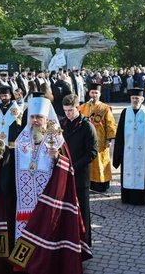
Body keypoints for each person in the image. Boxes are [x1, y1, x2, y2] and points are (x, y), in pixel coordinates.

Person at [0, 92, 91, 274]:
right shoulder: (19, 141)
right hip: (23, 206)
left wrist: (57, 157)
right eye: (33, 117)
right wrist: (1, 155)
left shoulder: (57, 140)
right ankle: (23, 265)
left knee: (46, 235)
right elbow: (8, 168)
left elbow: (68, 169)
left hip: (47, 204)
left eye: (39, 117)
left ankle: (47, 265)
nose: (35, 120)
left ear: (46, 118)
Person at [60, 93, 97, 247]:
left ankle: (85, 244)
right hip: (64, 174)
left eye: (70, 110)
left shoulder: (87, 126)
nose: (68, 114)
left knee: (82, 211)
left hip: (80, 175)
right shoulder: (62, 125)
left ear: (78, 107)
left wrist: (74, 167)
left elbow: (92, 152)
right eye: (65, 111)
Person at [113, 88, 145, 205]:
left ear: (142, 99)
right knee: (128, 173)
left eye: (137, 98)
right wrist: (118, 153)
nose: (135, 100)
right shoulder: (125, 112)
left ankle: (143, 198)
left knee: (143, 174)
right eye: (133, 98)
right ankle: (127, 198)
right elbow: (119, 135)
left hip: (143, 153)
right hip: (127, 152)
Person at [79, 83, 117, 192]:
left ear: (99, 94)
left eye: (96, 93)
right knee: (88, 160)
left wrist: (109, 139)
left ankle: (102, 184)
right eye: (92, 92)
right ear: (89, 93)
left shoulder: (105, 108)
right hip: (86, 140)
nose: (94, 95)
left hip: (101, 139)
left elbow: (110, 124)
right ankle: (88, 183)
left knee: (101, 161)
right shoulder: (83, 107)